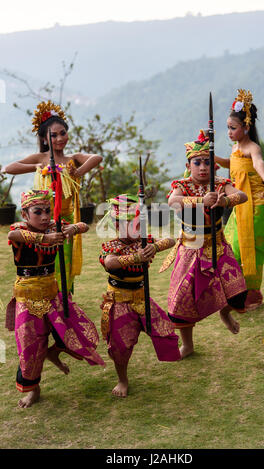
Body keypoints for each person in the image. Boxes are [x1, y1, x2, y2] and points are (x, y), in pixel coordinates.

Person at [7, 189, 105, 408]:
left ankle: (53, 353)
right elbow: (12, 236)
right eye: (37, 212)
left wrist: (72, 228)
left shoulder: (54, 226)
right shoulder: (20, 229)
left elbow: (84, 226)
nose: (43, 216)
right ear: (25, 214)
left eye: (47, 211)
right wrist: (46, 238)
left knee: (73, 330)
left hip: (53, 293)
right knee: (30, 347)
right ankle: (34, 391)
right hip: (28, 296)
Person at [164, 130, 248, 358]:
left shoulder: (221, 183)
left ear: (214, 166)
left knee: (239, 293)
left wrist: (225, 199)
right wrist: (201, 200)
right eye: (197, 162)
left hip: (219, 247)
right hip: (191, 249)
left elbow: (242, 196)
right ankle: (188, 344)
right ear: (188, 165)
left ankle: (225, 312)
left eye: (207, 162)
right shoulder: (182, 185)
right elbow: (172, 202)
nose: (203, 167)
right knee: (182, 302)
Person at [3, 100, 103, 293]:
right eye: (53, 135)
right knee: (46, 264)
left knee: (65, 269)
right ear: (45, 140)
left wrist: (79, 171)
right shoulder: (41, 159)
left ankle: (65, 306)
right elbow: (9, 168)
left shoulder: (72, 160)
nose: (59, 138)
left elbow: (96, 158)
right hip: (42, 221)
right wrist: (37, 167)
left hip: (66, 221)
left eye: (62, 133)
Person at [98, 194, 181, 397]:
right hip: (120, 302)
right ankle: (123, 380)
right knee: (121, 347)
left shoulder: (145, 241)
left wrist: (155, 246)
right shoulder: (112, 246)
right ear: (117, 226)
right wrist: (136, 257)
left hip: (143, 298)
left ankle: (176, 352)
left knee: (165, 331)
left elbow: (170, 240)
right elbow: (110, 263)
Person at [215, 90, 264, 310]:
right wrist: (209, 156)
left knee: (251, 249)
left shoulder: (253, 148)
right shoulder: (235, 148)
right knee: (233, 247)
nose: (229, 132)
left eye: (233, 128)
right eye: (228, 128)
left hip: (256, 207)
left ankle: (252, 294)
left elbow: (259, 164)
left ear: (246, 128)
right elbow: (229, 163)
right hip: (239, 204)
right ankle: (238, 292)